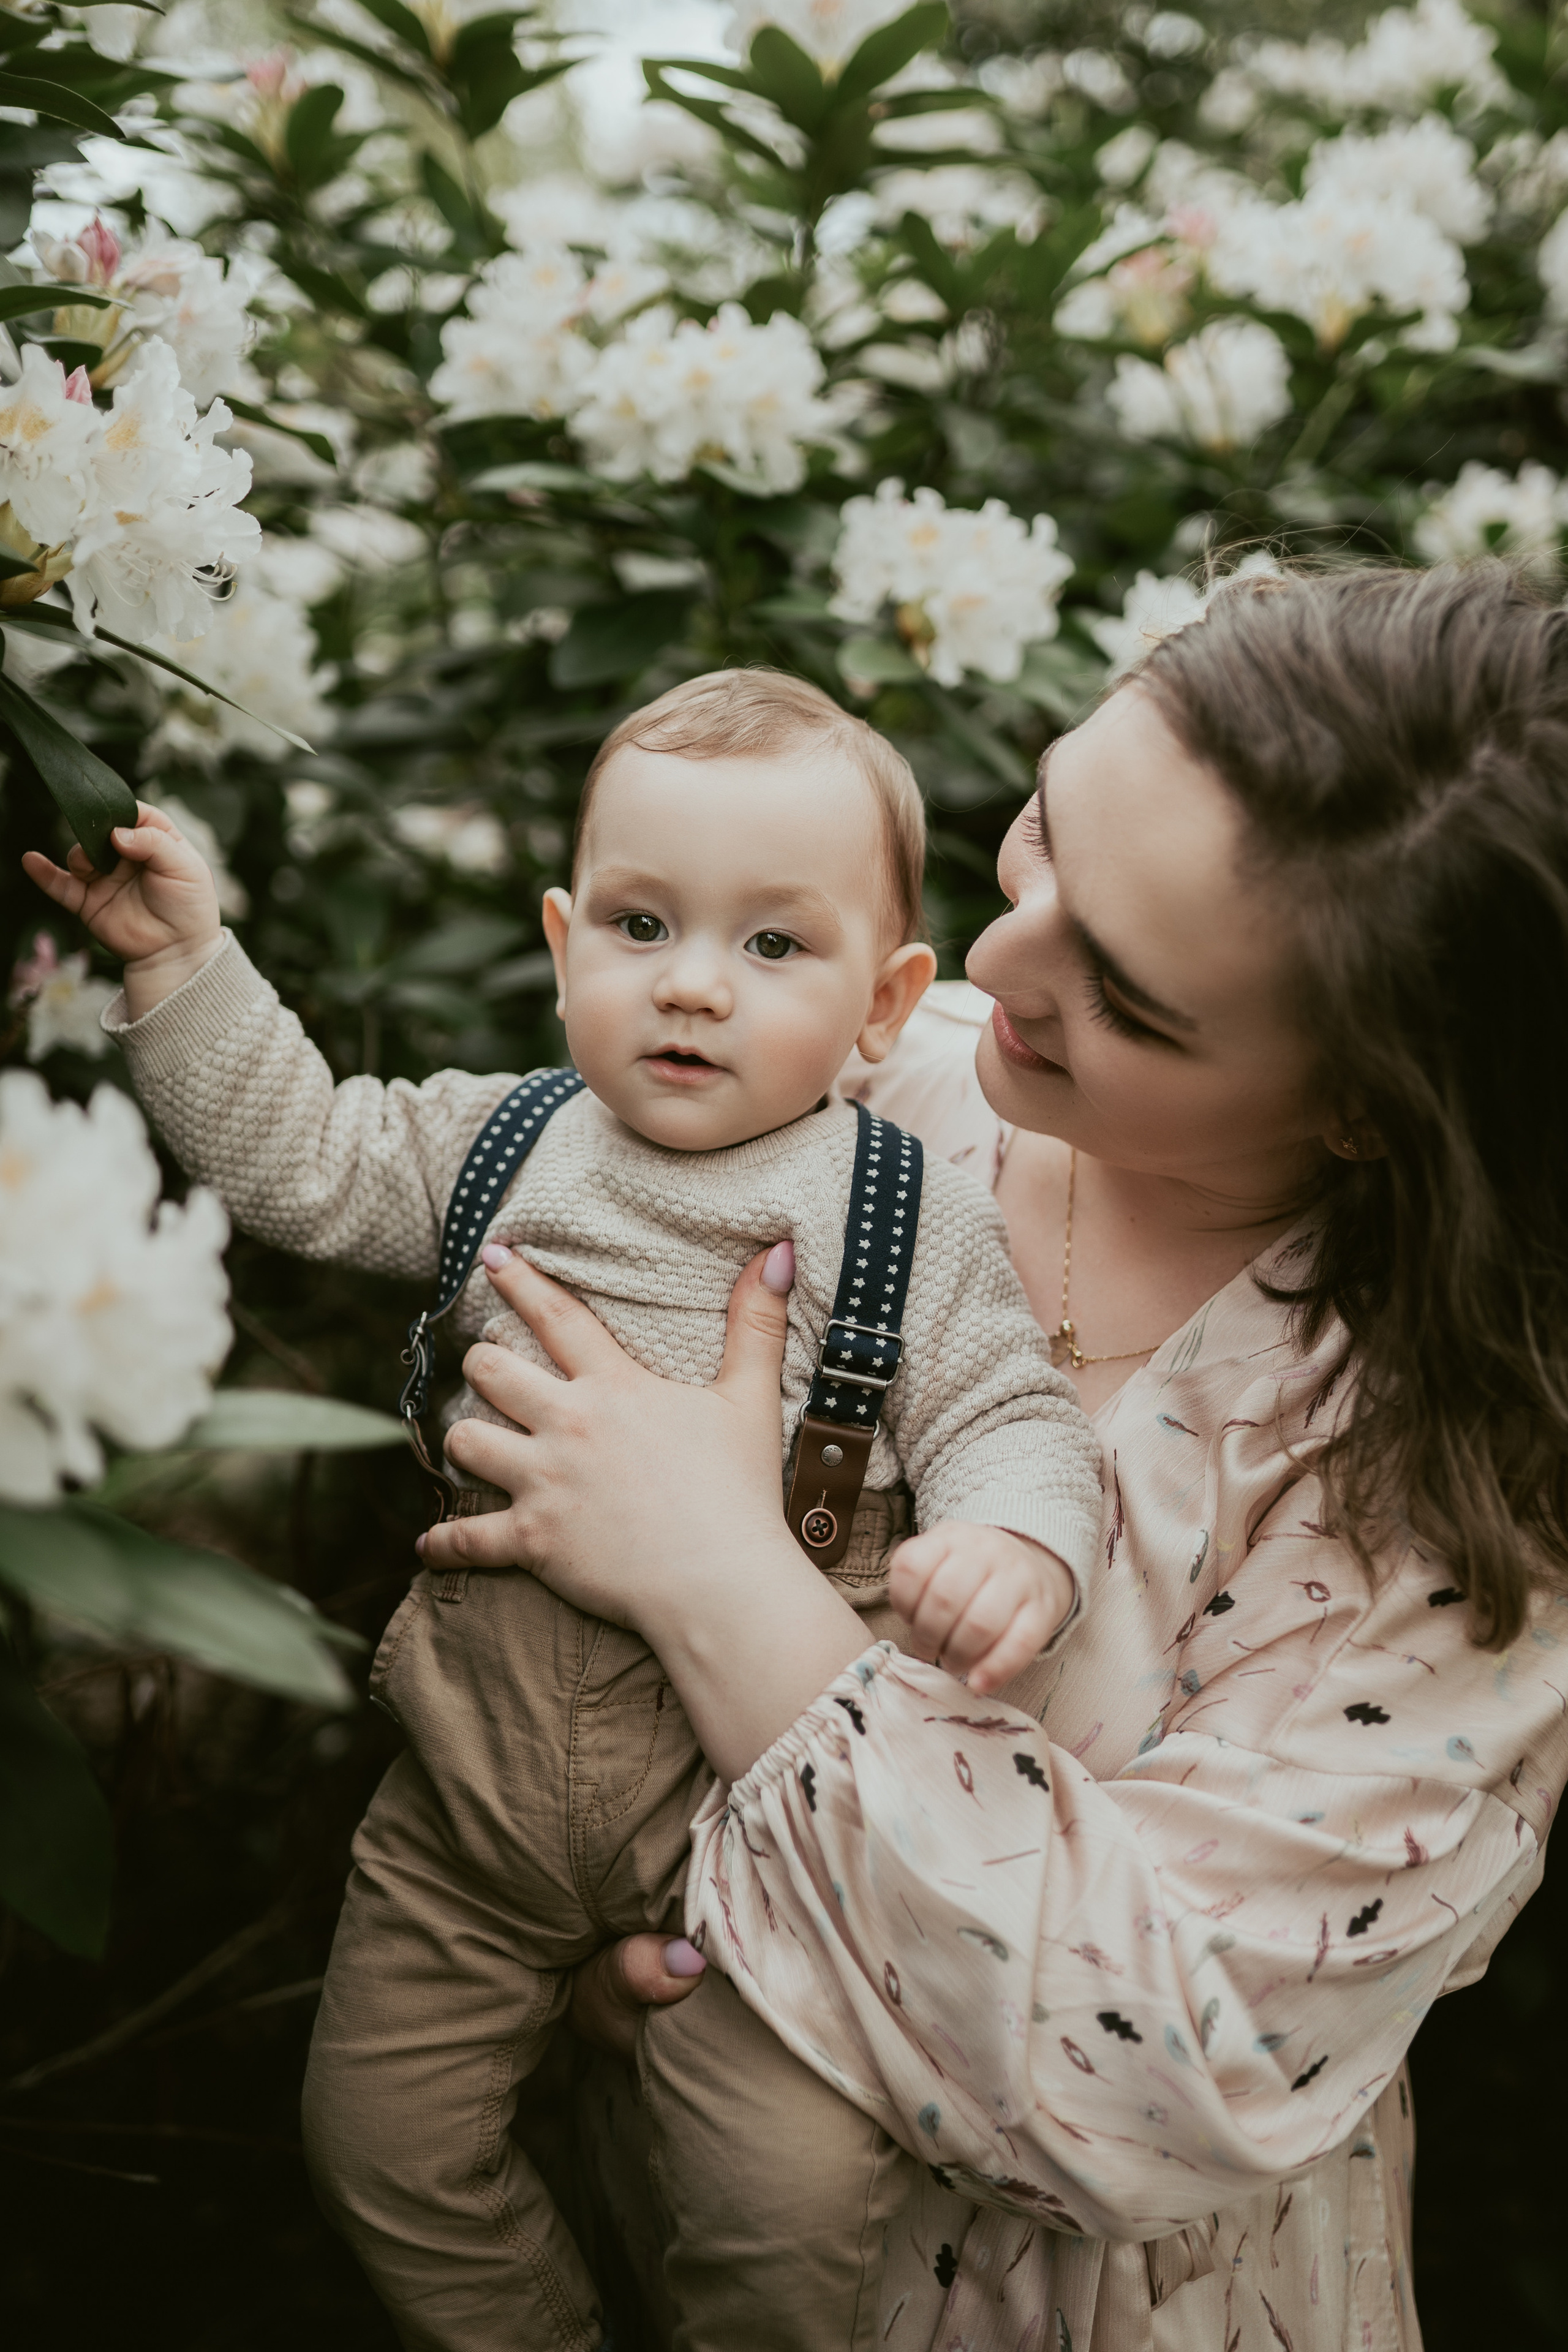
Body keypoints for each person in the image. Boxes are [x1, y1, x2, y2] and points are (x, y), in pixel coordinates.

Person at [415, 563, 1568, 2351]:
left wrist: (718, 1578)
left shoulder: (1450, 1511)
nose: (987, 961)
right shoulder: (870, 1095)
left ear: (1365, 1103)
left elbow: (1173, 2068)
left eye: (1123, 993)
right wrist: (580, 1911)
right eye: (1041, 833)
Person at [22, 668, 1105, 2352]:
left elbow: (1014, 1415)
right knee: (379, 2148)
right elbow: (296, 1156)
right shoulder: (504, 1142)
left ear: (888, 1005)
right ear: (561, 939)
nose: (689, 986)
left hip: (746, 1841)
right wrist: (180, 962)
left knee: (786, 2208)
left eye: (772, 947)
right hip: (470, 1811)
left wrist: (1012, 1539)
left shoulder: (902, 1217)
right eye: (641, 921)